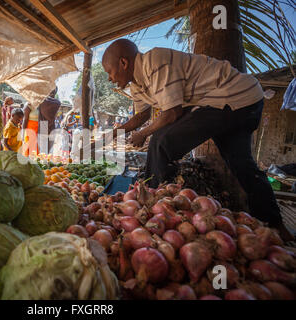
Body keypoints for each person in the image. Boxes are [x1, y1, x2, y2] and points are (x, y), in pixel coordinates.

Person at [91, 38, 293, 241]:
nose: (109, 78)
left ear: (124, 63)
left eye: (109, 71)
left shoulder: (155, 61)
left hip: (232, 95)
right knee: (242, 165)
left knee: (161, 142)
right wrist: (108, 137)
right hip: (244, 101)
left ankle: (151, 210)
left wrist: (144, 134)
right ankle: (275, 225)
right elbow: (140, 117)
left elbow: (172, 112)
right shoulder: (136, 86)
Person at [38, 87, 61, 153]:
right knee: (50, 152)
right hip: (52, 128)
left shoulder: (42, 101)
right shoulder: (57, 103)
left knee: (43, 153)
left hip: (43, 127)